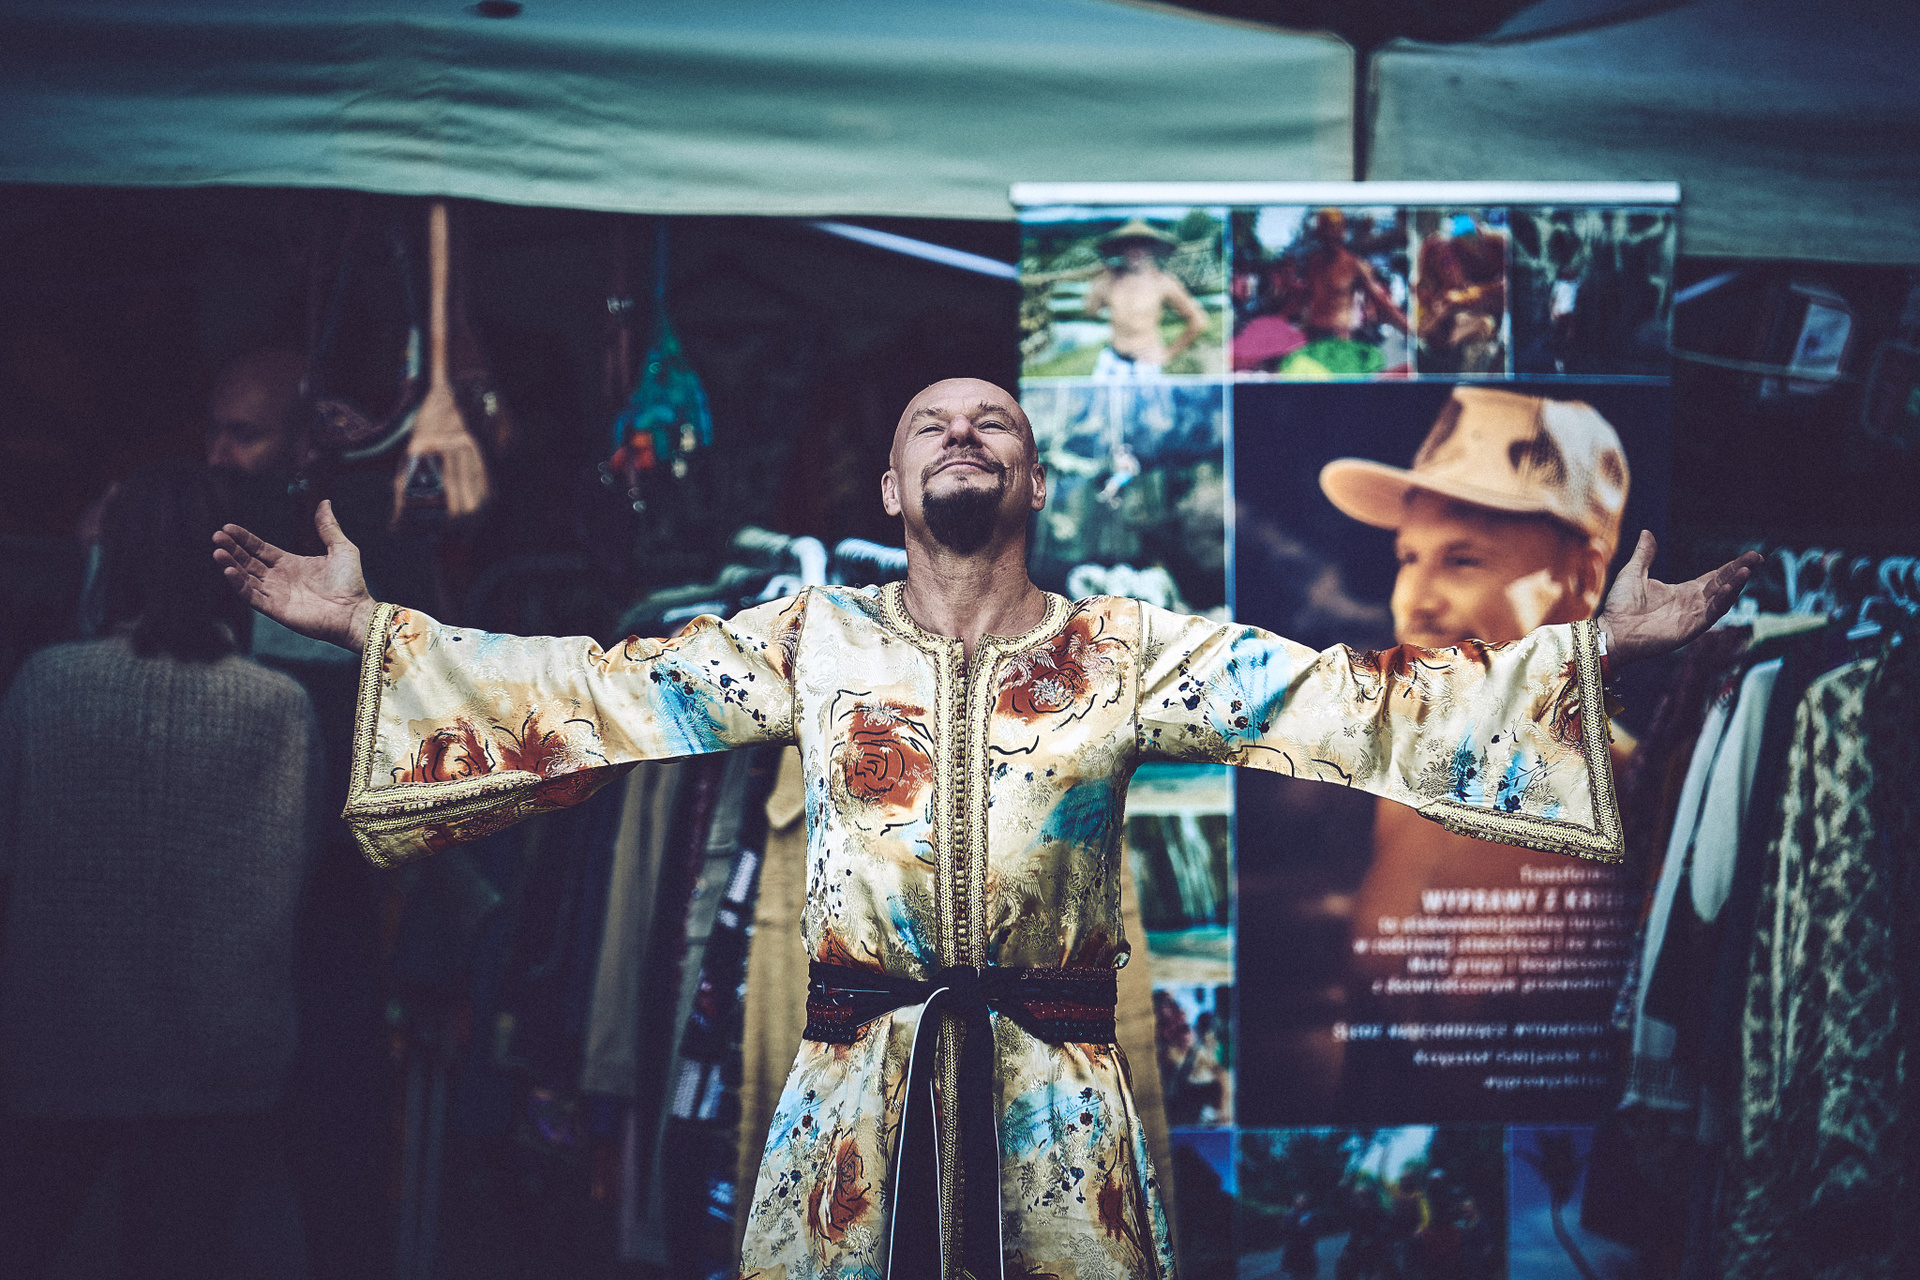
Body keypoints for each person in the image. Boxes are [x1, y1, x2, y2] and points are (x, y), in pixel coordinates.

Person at [215, 377, 1754, 1280]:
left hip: (1056, 1101)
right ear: (893, 485)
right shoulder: (810, 639)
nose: (963, 434)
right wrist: (366, 628)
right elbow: (602, 691)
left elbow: (1354, 702)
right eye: (931, 426)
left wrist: (1599, 650)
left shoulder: (1127, 650)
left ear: (1033, 478)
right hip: (853, 1096)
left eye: (994, 422)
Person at [1, 461, 319, 1278]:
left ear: (115, 560)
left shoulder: (44, 687)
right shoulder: (280, 708)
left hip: (59, 1042)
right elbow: (295, 880)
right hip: (221, 1061)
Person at [1319, 387, 1639, 1113]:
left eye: (1462, 560)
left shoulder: (1642, 791)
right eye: (1409, 557)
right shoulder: (1406, 781)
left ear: (1585, 578)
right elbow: (1370, 1069)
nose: (1414, 601)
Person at [1083, 219, 1210, 378]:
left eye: (1142, 245)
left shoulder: (1163, 282)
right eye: (1131, 244)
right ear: (1122, 248)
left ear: (1151, 248)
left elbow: (1199, 320)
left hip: (1146, 363)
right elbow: (1091, 312)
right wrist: (1099, 279)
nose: (1136, 251)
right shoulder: (1110, 280)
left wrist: (1168, 353)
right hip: (1113, 359)